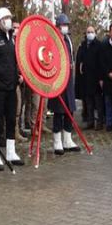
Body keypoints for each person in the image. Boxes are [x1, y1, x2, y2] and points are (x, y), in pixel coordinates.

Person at [0, 7, 24, 166]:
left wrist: (18, 76)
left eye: (10, 17)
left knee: (11, 119)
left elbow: (16, 62)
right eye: (6, 18)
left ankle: (11, 152)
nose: (9, 20)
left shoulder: (13, 40)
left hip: (12, 87)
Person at [48, 14, 80, 155]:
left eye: (66, 25)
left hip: (69, 80)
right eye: (63, 25)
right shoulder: (53, 40)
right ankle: (57, 141)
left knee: (69, 110)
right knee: (58, 111)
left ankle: (67, 139)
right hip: (57, 80)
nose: (65, 27)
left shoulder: (68, 39)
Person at [77, 25, 103, 130]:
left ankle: (100, 122)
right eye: (88, 32)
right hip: (86, 78)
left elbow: (101, 62)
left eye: (92, 32)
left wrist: (101, 78)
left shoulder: (99, 45)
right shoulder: (83, 45)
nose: (90, 34)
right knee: (89, 103)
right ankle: (90, 121)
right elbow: (80, 60)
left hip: (96, 78)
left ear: (95, 33)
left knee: (98, 103)